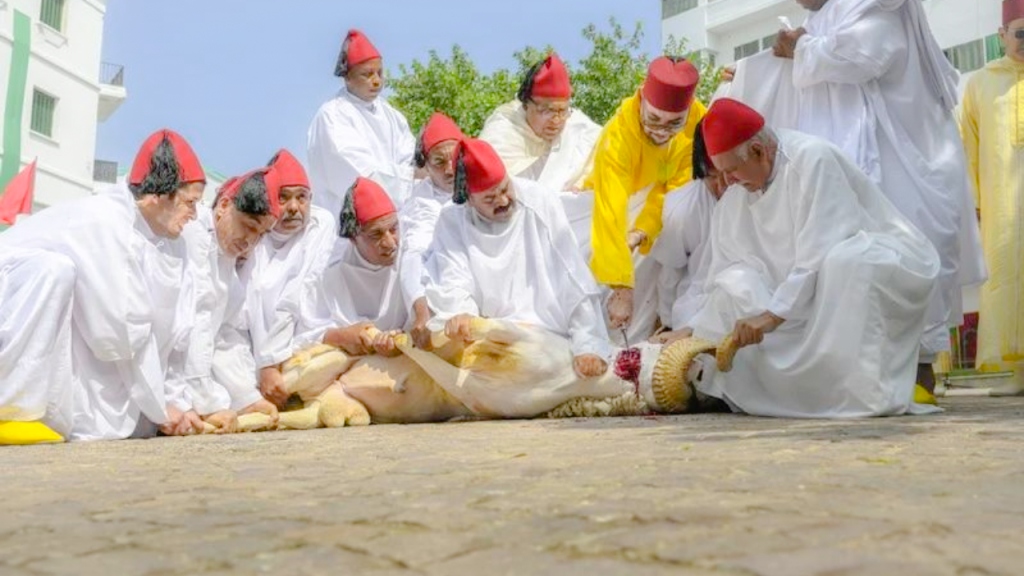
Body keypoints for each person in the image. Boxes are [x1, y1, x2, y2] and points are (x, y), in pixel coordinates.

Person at [735, 0, 986, 398]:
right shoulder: (824, 15)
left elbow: (863, 54)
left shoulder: (878, 5)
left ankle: (919, 370)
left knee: (912, 257)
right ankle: (870, 370)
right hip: (871, 165)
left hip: (907, 164)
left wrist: (800, 49)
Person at [683, 99, 940, 418]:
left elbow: (822, 249)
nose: (728, 183)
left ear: (761, 151)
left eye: (732, 171)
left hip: (869, 264)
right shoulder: (737, 194)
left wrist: (771, 315)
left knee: (848, 262)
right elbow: (726, 266)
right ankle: (758, 393)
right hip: (791, 292)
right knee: (733, 287)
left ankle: (862, 394)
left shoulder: (812, 159)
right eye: (722, 174)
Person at [0, 129, 206, 443]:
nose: (195, 214)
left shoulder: (170, 244)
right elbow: (117, 332)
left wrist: (176, 402)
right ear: (159, 195)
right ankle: (9, 409)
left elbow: (172, 335)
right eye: (190, 202)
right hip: (13, 292)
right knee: (53, 271)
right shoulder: (105, 222)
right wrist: (160, 407)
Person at [425, 138, 613, 379]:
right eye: (490, 199)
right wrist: (461, 314)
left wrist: (588, 344)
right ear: (469, 200)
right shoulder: (452, 219)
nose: (503, 201)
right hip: (488, 333)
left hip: (549, 334)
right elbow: (452, 275)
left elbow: (572, 277)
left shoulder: (539, 200)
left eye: (505, 189)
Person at [584, 56, 707, 345]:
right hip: (609, 211)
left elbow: (677, 188)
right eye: (653, 120)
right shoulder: (617, 137)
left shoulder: (698, 123)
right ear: (641, 99)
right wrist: (622, 289)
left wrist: (643, 230)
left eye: (673, 123)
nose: (661, 131)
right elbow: (609, 211)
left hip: (657, 213)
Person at [180, 168, 282, 430]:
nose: (251, 241)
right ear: (224, 205)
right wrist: (205, 404)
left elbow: (225, 334)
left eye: (261, 235)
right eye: (248, 227)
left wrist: (247, 397)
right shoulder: (194, 234)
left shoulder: (226, 258)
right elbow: (196, 324)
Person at [237, 150, 337, 408]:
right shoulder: (252, 235)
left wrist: (269, 363)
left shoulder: (319, 224)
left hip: (302, 349)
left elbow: (296, 296)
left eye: (301, 197)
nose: (294, 208)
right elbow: (241, 312)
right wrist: (261, 369)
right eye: (283, 198)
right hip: (253, 361)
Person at [959, 0, 1024, 372]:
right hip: (999, 208)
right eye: (1021, 34)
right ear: (1002, 36)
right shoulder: (980, 82)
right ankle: (1001, 361)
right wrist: (974, 205)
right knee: (1002, 275)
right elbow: (968, 145)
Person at [293, 177, 411, 357]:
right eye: (376, 234)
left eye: (393, 229)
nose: (389, 243)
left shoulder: (410, 258)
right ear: (353, 238)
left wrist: (403, 338)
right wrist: (341, 336)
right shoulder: (328, 274)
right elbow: (303, 336)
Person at [307, 28, 416, 219]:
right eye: (367, 74)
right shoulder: (333, 115)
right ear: (347, 77)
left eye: (379, 73)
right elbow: (358, 175)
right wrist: (409, 179)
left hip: (394, 219)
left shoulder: (391, 114)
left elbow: (410, 158)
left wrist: (413, 176)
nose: (376, 81)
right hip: (347, 221)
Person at [650, 119, 728, 345]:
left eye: (727, 173)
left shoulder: (751, 191)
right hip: (696, 305)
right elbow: (670, 273)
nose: (722, 186)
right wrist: (666, 322)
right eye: (713, 177)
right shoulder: (682, 207)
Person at [479, 53, 601, 191]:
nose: (556, 120)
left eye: (562, 111)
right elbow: (485, 180)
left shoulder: (579, 128)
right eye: (546, 110)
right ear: (525, 105)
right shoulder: (503, 128)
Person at [400, 112, 465, 350]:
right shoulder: (422, 203)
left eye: (455, 158)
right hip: (444, 300)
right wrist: (421, 311)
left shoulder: (485, 187)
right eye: (439, 162)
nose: (449, 170)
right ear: (425, 165)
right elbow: (414, 256)